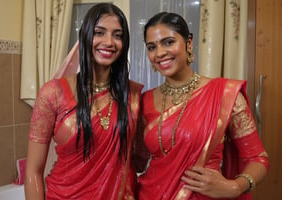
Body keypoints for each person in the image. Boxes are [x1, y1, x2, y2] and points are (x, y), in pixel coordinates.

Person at [132, 12, 269, 200]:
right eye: (152, 47)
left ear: (188, 43)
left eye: (168, 42)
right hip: (150, 195)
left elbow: (257, 158)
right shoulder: (144, 100)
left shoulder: (224, 94)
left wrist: (235, 187)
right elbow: (135, 162)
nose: (160, 53)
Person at [25, 3, 143, 200]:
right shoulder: (53, 93)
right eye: (99, 32)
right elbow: (33, 172)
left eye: (117, 35)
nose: (109, 42)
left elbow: (140, 160)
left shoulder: (133, 95)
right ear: (85, 36)